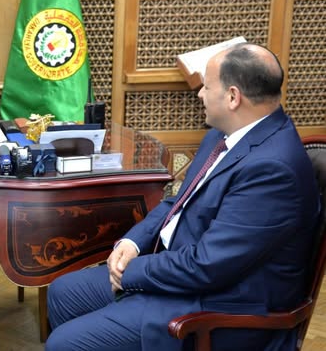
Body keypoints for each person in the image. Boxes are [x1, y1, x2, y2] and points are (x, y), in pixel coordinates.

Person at [46, 43, 321, 351]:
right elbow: (178, 202)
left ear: (233, 97)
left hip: (217, 307)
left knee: (64, 344)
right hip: (179, 273)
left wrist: (130, 273)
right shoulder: (222, 135)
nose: (200, 94)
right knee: (63, 292)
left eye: (206, 86)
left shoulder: (273, 169)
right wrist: (132, 242)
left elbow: (208, 266)